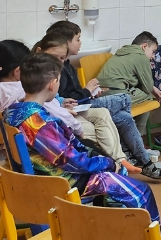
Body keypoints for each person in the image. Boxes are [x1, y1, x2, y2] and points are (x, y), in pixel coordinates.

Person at [3, 53, 161, 240]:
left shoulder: (14, 112)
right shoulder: (38, 123)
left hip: (47, 177)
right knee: (140, 193)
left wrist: (104, 160)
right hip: (63, 183)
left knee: (119, 174)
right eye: (59, 81)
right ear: (52, 84)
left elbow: (68, 151)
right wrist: (107, 163)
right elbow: (72, 160)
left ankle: (122, 238)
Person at [33, 32, 139, 173]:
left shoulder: (61, 68)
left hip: (68, 108)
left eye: (62, 58)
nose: (59, 62)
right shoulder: (40, 74)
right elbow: (55, 108)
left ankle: (120, 160)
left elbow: (56, 98)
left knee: (105, 113)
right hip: (66, 116)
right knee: (120, 108)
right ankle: (114, 164)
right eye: (78, 39)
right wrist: (86, 92)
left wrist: (63, 101)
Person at [97, 31, 161, 137]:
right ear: (144, 46)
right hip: (115, 94)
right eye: (153, 51)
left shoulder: (121, 52)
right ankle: (137, 137)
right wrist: (152, 89)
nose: (153, 56)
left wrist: (153, 88)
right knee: (148, 96)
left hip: (100, 93)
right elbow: (147, 88)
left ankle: (131, 136)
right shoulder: (140, 56)